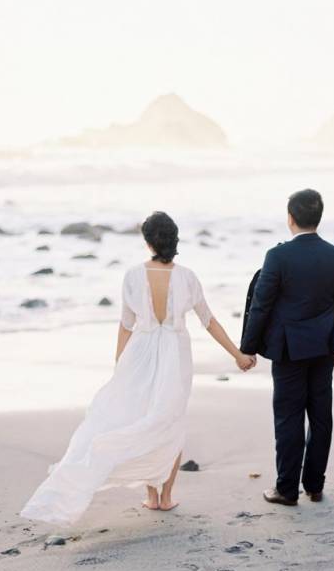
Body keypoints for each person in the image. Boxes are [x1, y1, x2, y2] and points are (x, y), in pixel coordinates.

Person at [21, 211, 254, 525]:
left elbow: (125, 325)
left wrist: (120, 366)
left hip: (139, 353)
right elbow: (209, 321)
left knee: (145, 417)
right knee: (168, 420)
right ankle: (166, 497)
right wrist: (237, 355)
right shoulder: (187, 276)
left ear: (148, 243)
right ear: (174, 241)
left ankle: (150, 495)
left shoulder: (132, 275)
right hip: (175, 353)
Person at [240, 189, 334, 506]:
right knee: (320, 417)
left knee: (288, 418)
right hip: (324, 346)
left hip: (289, 349)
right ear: (319, 217)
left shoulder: (278, 256)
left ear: (290, 218)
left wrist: (247, 348)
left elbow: (262, 305)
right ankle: (315, 486)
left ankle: (286, 489)